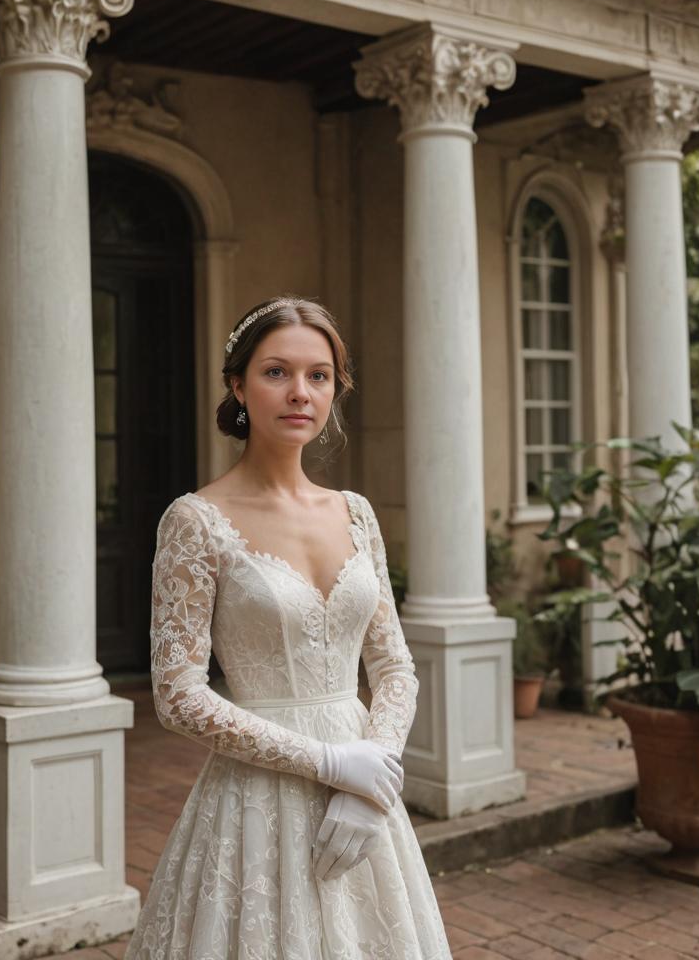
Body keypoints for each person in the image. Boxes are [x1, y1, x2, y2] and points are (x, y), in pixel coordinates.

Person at [124, 296, 452, 959]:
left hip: (364, 795)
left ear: (335, 389)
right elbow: (178, 696)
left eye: (319, 375)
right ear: (238, 386)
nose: (300, 392)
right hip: (255, 803)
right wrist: (330, 761)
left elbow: (393, 665)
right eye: (277, 372)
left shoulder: (355, 513)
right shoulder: (194, 521)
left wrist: (372, 776)